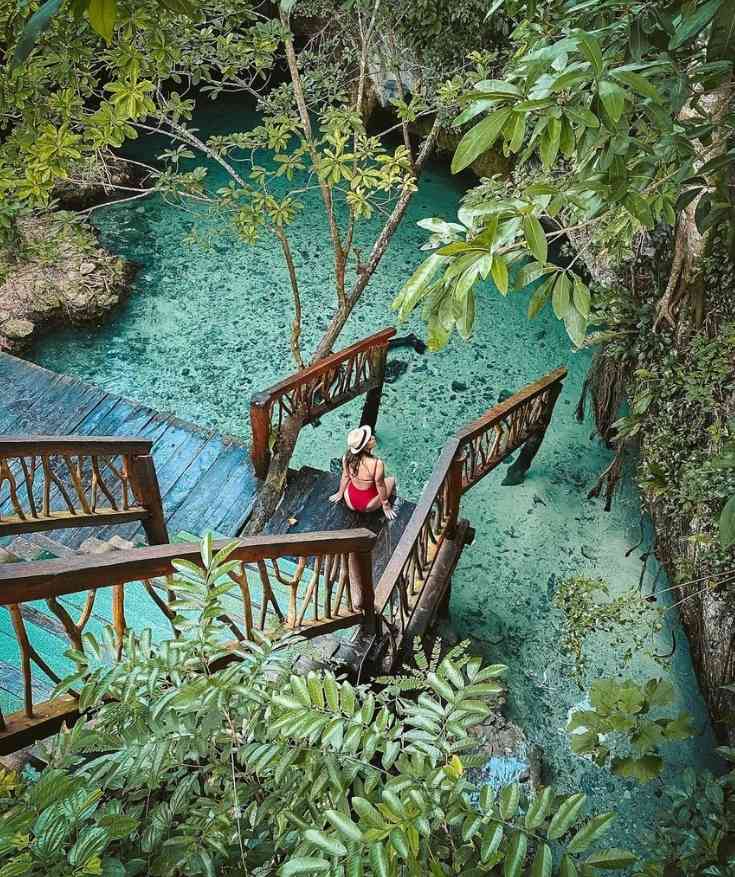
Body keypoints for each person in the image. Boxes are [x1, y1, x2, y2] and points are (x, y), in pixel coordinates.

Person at [329, 425, 397, 520]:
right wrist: (386, 505)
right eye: (369, 439)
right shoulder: (377, 463)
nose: (373, 437)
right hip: (368, 505)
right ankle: (393, 500)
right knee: (392, 480)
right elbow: (380, 485)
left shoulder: (346, 457)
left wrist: (340, 493)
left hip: (350, 500)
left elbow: (345, 476)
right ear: (365, 446)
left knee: (352, 477)